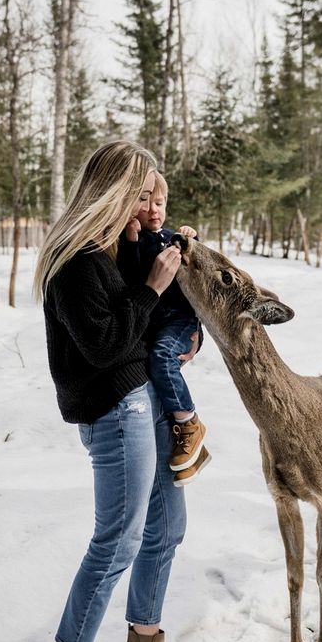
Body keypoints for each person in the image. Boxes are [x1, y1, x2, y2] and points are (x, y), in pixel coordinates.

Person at [31, 141, 201, 642]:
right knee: (118, 540)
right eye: (140, 194)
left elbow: (141, 325)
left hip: (144, 399)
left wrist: (182, 337)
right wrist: (152, 287)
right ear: (113, 193)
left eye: (154, 196)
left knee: (167, 525)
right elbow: (105, 345)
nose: (149, 206)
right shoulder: (76, 261)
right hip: (114, 411)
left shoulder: (113, 250)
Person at [116, 171, 210, 484]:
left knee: (162, 357)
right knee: (155, 365)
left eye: (160, 202)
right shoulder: (132, 242)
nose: (154, 209)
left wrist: (192, 241)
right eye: (145, 202)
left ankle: (189, 422)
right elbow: (131, 278)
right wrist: (131, 241)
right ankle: (185, 449)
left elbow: (197, 275)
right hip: (154, 321)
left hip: (180, 319)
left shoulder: (172, 238)